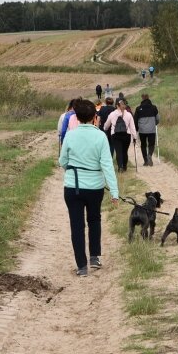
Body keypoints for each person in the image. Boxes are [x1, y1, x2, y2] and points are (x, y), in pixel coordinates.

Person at [59, 99, 119, 277]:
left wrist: (72, 169)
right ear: (95, 116)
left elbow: (62, 161)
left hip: (73, 187)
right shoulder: (100, 136)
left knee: (76, 226)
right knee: (94, 220)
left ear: (76, 116)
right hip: (95, 187)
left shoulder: (70, 135)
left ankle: (82, 266)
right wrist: (114, 192)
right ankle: (94, 257)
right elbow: (107, 165)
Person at [103, 98, 138, 172]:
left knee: (118, 151)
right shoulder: (128, 114)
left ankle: (120, 167)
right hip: (126, 135)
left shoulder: (112, 114)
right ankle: (124, 166)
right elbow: (132, 127)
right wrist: (135, 137)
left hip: (115, 135)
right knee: (125, 151)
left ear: (116, 105)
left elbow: (106, 126)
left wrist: (105, 129)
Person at [134, 93, 160, 166]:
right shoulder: (154, 107)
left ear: (142, 98)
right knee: (151, 144)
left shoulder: (138, 108)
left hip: (142, 130)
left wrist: (136, 129)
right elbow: (158, 118)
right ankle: (150, 155)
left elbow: (135, 120)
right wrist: (155, 123)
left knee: (143, 145)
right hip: (151, 129)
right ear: (148, 98)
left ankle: (145, 161)